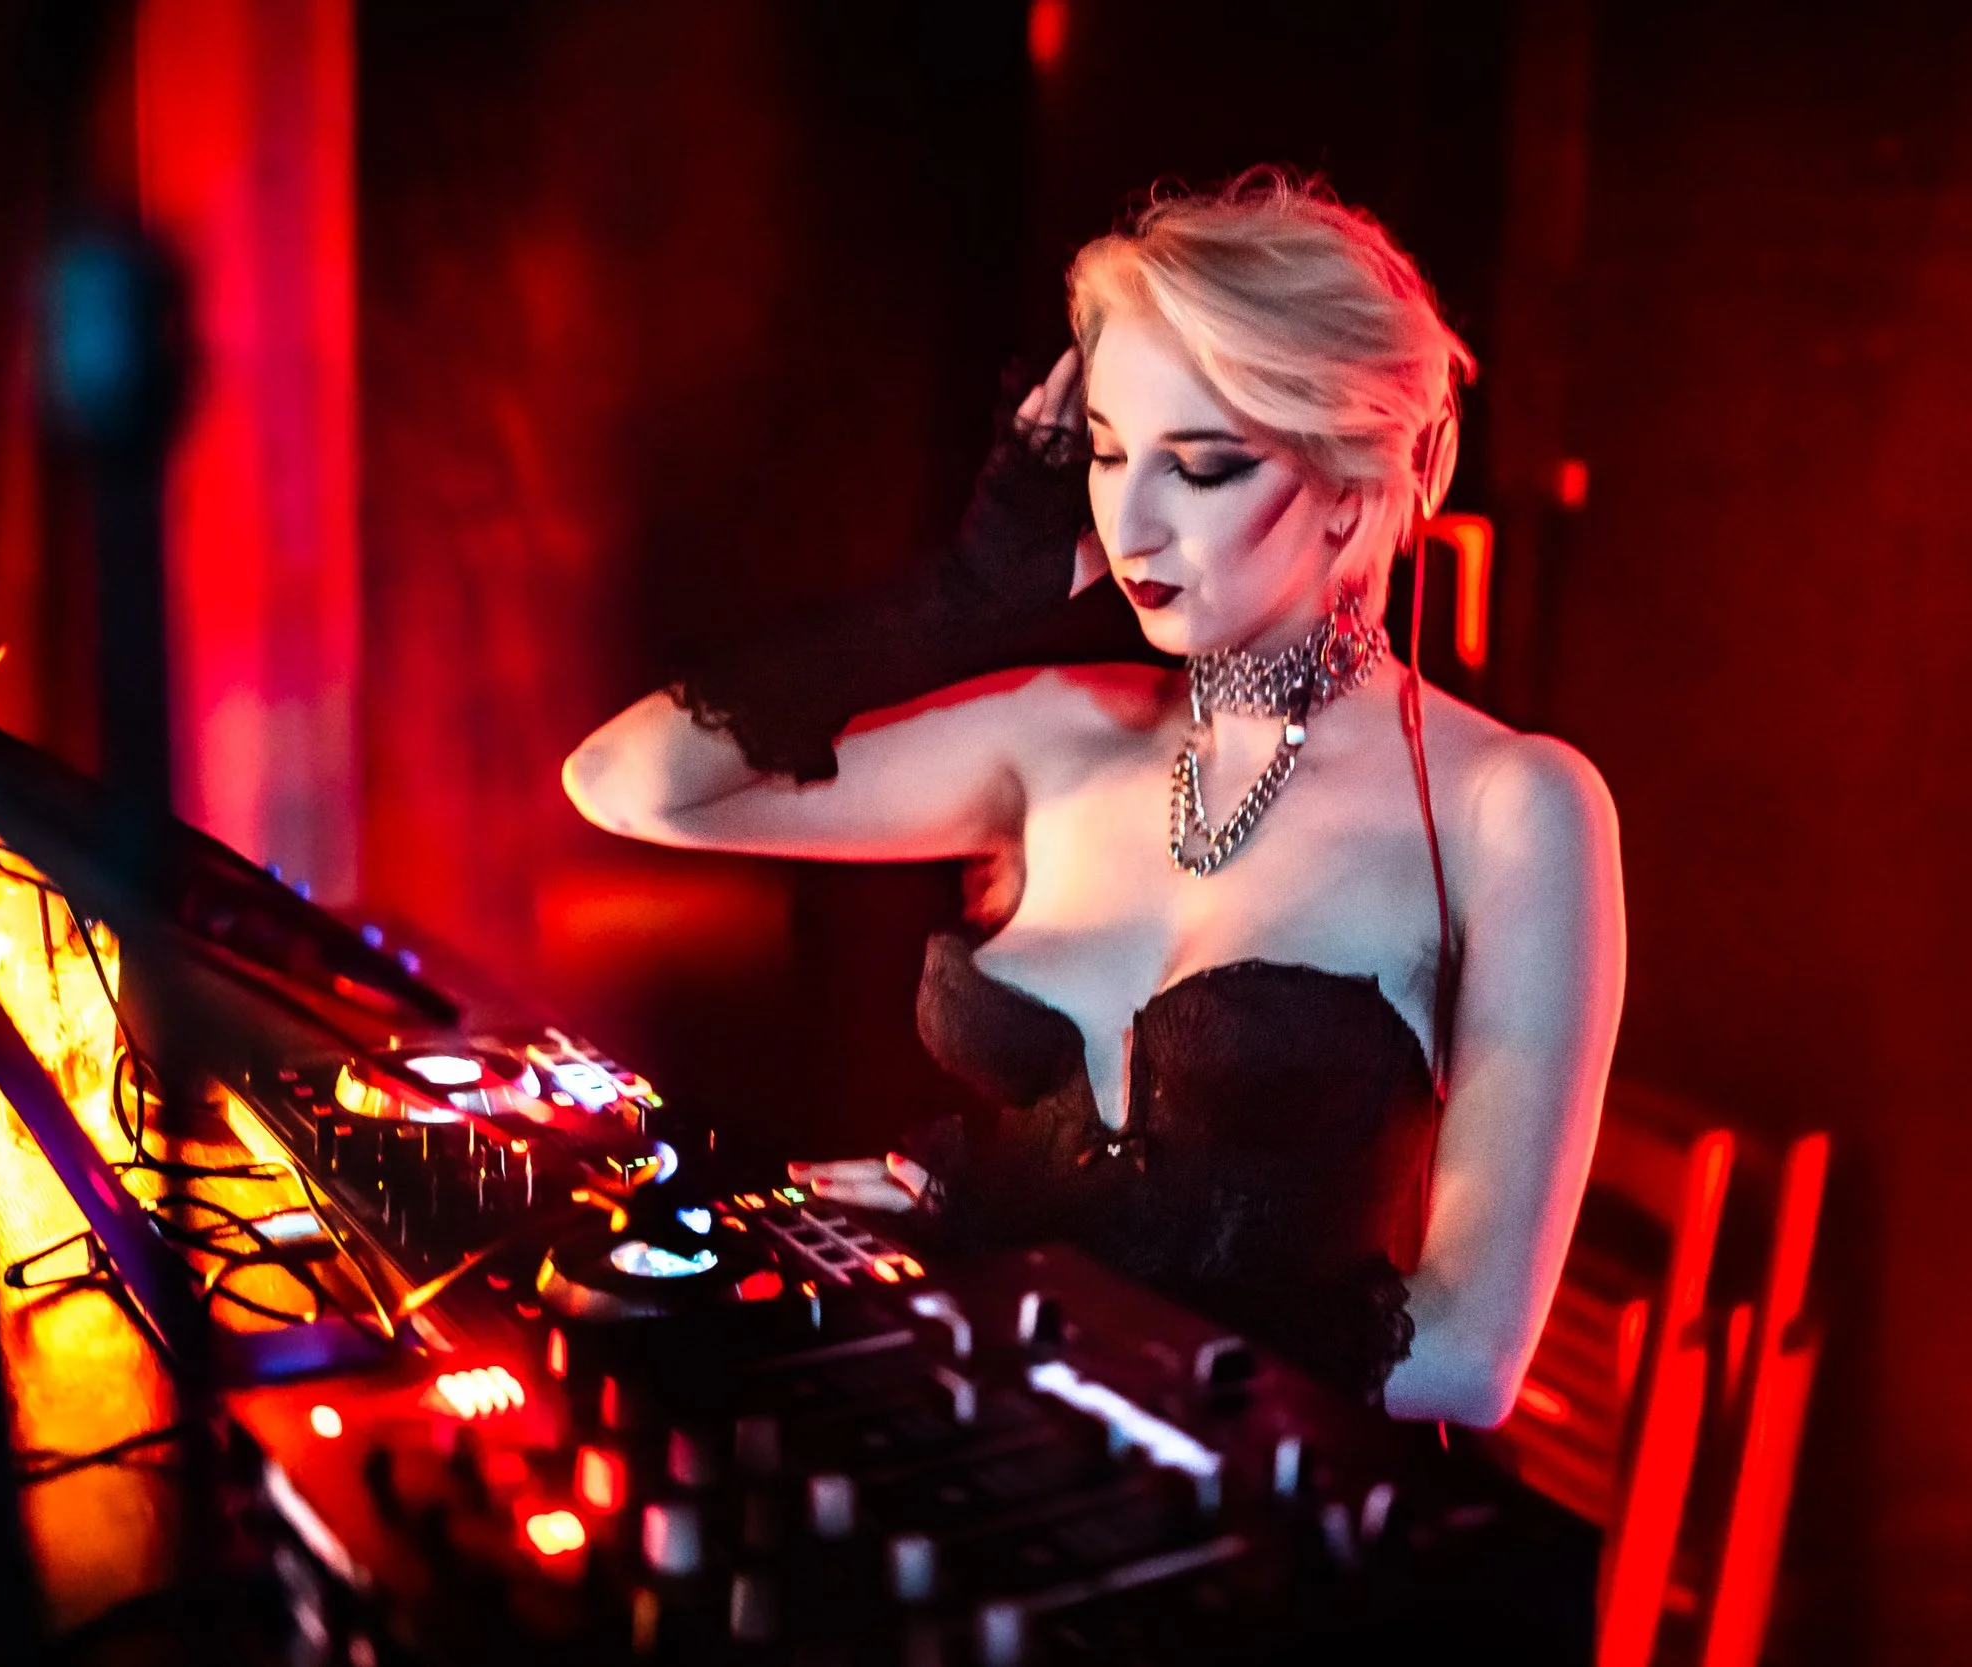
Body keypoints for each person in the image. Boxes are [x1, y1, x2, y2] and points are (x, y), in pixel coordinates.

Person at [563, 170, 1624, 1429]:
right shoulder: (1059, 728)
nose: (1129, 520)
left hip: (1266, 1546)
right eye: (1110, 454)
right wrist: (964, 595)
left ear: (1349, 477)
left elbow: (1466, 1357)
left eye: (1204, 467)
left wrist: (1026, 1291)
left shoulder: (1516, 804)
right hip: (981, 1452)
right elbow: (628, 783)